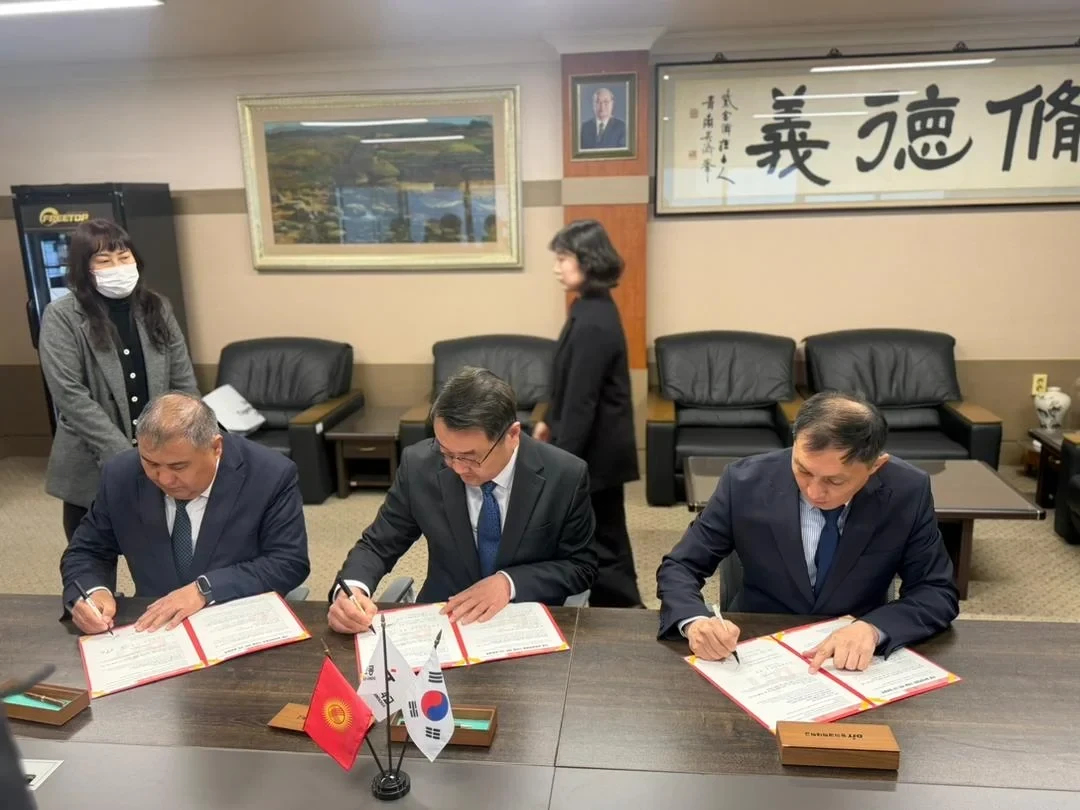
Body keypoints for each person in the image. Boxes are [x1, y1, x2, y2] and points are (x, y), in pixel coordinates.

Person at [657, 391, 959, 672]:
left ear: (875, 466)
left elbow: (935, 590)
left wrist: (873, 628)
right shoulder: (744, 482)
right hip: (755, 645)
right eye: (803, 470)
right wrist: (695, 622)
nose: (814, 492)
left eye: (835, 481)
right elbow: (681, 566)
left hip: (854, 654)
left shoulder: (907, 491)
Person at [328, 367, 597, 634]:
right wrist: (352, 590)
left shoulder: (565, 475)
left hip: (525, 623)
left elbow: (581, 566)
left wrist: (509, 583)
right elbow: (377, 545)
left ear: (512, 435)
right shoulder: (419, 466)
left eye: (470, 457)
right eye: (446, 452)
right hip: (445, 619)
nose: (457, 468)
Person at [60, 392, 310, 635]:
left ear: (216, 447)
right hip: (155, 630)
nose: (164, 479)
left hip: (237, 623)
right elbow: (87, 550)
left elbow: (288, 562)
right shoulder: (121, 475)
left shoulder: (269, 475)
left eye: (178, 466)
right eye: (151, 463)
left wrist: (206, 589)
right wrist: (91, 592)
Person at [38, 219, 198, 543]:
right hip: (91, 460)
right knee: (91, 554)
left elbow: (183, 382)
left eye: (124, 257)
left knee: (165, 551)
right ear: (84, 269)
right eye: (104, 260)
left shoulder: (157, 306)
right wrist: (124, 455)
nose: (117, 267)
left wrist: (185, 437)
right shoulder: (62, 315)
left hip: (162, 454)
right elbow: (69, 395)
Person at [533, 220, 642, 608]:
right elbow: (568, 380)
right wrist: (549, 419)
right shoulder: (589, 307)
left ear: (588, 259)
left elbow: (583, 401)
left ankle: (625, 611)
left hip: (597, 452)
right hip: (594, 447)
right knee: (602, 536)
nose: (556, 267)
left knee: (605, 541)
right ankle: (616, 606)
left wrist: (562, 464)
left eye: (563, 258)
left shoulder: (594, 319)